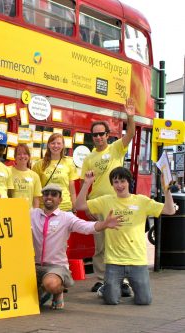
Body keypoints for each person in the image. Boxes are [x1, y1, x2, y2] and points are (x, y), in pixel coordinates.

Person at [76, 167, 176, 305]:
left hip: (137, 260)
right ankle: (109, 287)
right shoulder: (106, 201)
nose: (119, 185)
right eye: (115, 182)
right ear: (112, 185)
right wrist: (87, 183)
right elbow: (79, 205)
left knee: (144, 301)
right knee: (111, 300)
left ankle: (122, 285)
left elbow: (170, 210)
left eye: (123, 181)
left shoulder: (141, 201)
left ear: (129, 182)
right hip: (114, 261)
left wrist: (167, 190)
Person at [31, 183, 121, 309]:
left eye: (54, 194)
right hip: (33, 266)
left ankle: (58, 292)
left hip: (56, 267)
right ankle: (40, 291)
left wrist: (104, 224)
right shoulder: (33, 214)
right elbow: (7, 210)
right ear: (42, 198)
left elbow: (87, 227)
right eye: (46, 194)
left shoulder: (67, 217)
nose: (49, 197)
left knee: (51, 284)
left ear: (60, 200)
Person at [80, 98, 135, 294]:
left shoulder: (116, 148)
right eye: (94, 135)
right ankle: (102, 279)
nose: (98, 138)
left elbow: (130, 134)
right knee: (101, 245)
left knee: (121, 244)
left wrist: (130, 115)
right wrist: (87, 208)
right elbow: (85, 184)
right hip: (99, 206)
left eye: (101, 134)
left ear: (107, 135)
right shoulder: (88, 158)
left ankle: (124, 282)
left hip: (119, 204)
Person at [32, 133, 78, 212]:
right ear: (49, 145)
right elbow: (35, 190)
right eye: (53, 143)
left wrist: (74, 208)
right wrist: (35, 209)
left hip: (65, 207)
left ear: (63, 145)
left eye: (59, 143)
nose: (56, 146)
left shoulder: (69, 163)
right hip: (46, 207)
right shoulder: (38, 164)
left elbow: (72, 190)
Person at [10, 143, 42, 208]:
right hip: (12, 212)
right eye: (19, 154)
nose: (22, 156)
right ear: (15, 157)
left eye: (25, 153)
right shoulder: (9, 171)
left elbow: (36, 199)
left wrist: (35, 215)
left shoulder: (34, 175)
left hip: (28, 213)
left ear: (29, 156)